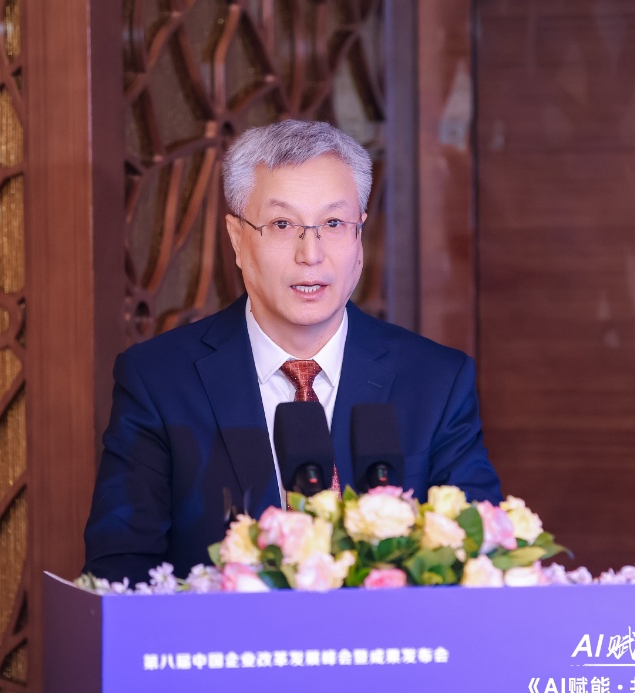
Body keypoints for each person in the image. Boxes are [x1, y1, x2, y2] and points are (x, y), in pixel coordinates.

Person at [83, 120, 501, 583]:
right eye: (283, 224)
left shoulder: (436, 382)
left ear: (359, 237)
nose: (311, 254)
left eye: (333, 224)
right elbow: (118, 575)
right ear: (237, 238)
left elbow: (481, 561)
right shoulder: (159, 381)